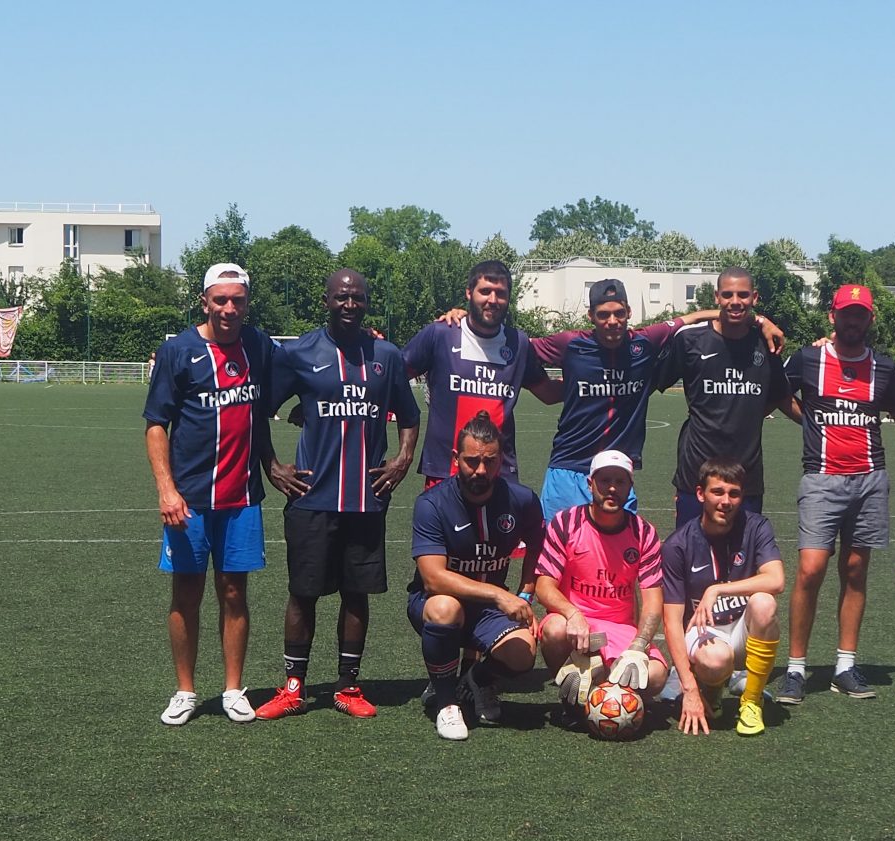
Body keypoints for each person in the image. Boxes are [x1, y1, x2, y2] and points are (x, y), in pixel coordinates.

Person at [255, 268, 420, 719]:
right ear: (326, 301)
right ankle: (294, 687)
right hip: (312, 497)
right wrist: (273, 466)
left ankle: (348, 686)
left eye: (357, 297)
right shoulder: (299, 352)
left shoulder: (386, 355)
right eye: (341, 297)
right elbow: (259, 412)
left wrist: (403, 459)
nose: (350, 304)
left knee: (356, 593)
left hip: (366, 499)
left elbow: (409, 416)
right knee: (303, 593)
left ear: (367, 302)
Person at [144, 263, 281, 726]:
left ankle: (232, 689)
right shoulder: (178, 351)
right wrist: (166, 490)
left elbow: (304, 365)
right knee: (186, 592)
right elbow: (156, 425)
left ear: (247, 303)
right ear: (204, 301)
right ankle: (185, 691)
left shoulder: (259, 345)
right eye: (220, 299)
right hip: (189, 500)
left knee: (234, 592)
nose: (228, 308)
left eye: (237, 300)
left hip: (241, 498)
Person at [528, 278, 783, 521]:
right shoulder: (570, 343)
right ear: (590, 316)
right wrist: (547, 387)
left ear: (629, 312)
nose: (612, 321)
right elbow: (523, 349)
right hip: (570, 466)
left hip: (618, 471)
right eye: (603, 315)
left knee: (616, 548)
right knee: (558, 544)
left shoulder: (645, 341)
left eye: (619, 313)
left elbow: (692, 318)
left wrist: (759, 320)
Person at [779, 284, 895, 704]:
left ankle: (845, 666)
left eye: (861, 314)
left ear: (870, 319)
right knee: (810, 569)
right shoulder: (808, 358)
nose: (853, 320)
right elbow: (779, 393)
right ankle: (796, 668)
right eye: (846, 313)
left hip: (870, 480)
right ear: (832, 316)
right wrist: (809, 421)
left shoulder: (885, 368)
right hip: (821, 478)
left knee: (855, 571)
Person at [407, 412, 545, 740]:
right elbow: (433, 578)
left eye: (490, 461)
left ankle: (476, 680)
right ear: (456, 459)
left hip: (487, 611)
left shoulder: (522, 500)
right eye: (472, 461)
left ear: (501, 460)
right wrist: (499, 594)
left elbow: (538, 544)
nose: (481, 470)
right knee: (445, 607)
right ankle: (446, 703)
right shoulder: (432, 504)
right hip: (433, 603)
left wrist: (526, 593)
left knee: (523, 651)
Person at [535, 450, 669, 724]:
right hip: (575, 626)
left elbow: (653, 601)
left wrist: (639, 645)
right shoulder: (566, 523)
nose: (612, 488)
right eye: (605, 480)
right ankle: (574, 702)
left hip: (618, 629)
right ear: (590, 483)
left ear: (630, 487)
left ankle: (598, 687)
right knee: (553, 629)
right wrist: (573, 614)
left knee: (656, 677)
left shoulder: (643, 533)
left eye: (620, 482)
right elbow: (544, 586)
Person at [402, 260, 559, 488]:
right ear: (469, 292)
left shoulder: (518, 343)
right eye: (485, 291)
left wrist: (592, 374)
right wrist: (367, 341)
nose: (492, 300)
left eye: (500, 293)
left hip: (499, 473)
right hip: (446, 471)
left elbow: (548, 393)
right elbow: (392, 378)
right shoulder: (441, 334)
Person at [655, 266, 790, 526]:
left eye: (743, 295)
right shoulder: (690, 341)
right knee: (690, 548)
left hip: (746, 478)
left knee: (744, 552)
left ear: (754, 297)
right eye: (727, 294)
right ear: (717, 297)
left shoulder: (766, 344)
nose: (735, 301)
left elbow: (780, 396)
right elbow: (652, 381)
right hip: (696, 474)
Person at [661, 459, 784, 736]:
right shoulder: (678, 545)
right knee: (716, 660)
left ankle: (751, 701)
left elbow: (776, 580)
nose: (726, 501)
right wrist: (688, 688)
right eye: (717, 492)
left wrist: (717, 589)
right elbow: (671, 623)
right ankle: (711, 688)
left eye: (734, 494)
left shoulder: (756, 527)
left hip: (742, 629)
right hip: (705, 632)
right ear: (701, 494)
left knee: (764, 603)